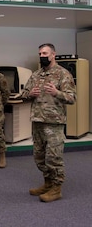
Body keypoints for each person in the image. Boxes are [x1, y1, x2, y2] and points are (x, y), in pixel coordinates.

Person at [21, 43, 76, 202]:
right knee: (39, 156)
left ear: (53, 54)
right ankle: (47, 183)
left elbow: (72, 98)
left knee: (53, 157)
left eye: (45, 53)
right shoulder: (36, 74)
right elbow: (24, 94)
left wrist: (57, 92)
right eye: (40, 53)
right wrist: (29, 93)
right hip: (37, 121)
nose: (42, 56)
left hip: (54, 123)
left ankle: (56, 189)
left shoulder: (63, 74)